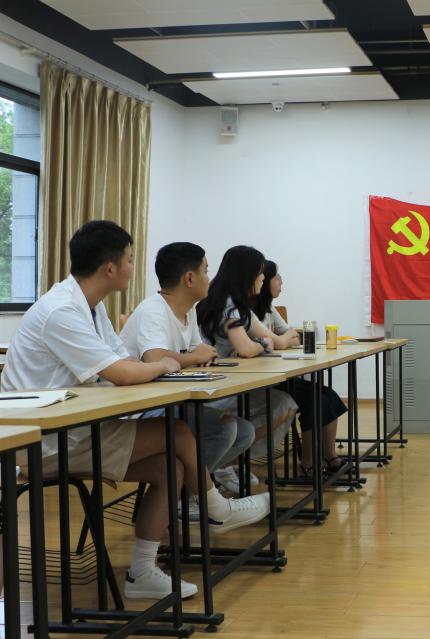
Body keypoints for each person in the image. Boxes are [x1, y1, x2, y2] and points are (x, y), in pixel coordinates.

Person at [0, 221, 269, 601]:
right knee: (178, 433)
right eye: (129, 259)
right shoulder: (62, 310)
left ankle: (142, 572)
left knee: (169, 467)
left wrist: (157, 365)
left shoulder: (92, 307)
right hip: (40, 441)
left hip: (75, 427)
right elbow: (125, 371)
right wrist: (166, 365)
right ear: (110, 268)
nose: (132, 267)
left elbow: (124, 361)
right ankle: (217, 508)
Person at [120, 242, 256, 495]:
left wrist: (198, 355)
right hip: (140, 410)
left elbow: (201, 350)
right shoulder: (153, 310)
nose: (209, 278)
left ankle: (188, 492)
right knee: (224, 429)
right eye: (206, 270)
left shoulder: (188, 311)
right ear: (190, 278)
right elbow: (154, 358)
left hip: (171, 399)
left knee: (244, 432)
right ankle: (192, 497)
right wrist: (194, 356)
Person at [196, 246, 299, 486]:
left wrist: (263, 343)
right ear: (247, 275)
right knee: (282, 404)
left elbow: (277, 341)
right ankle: (222, 465)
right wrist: (262, 343)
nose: (263, 278)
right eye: (260, 273)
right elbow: (248, 348)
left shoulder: (237, 305)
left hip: (229, 382)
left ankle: (227, 463)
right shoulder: (228, 305)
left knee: (283, 402)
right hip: (214, 389)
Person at [254, 260, 349, 476]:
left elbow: (294, 336)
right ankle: (308, 463)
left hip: (278, 374)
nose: (281, 282)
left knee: (329, 396)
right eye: (277, 277)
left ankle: (329, 456)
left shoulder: (268, 308)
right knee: (315, 400)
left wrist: (279, 340)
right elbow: (275, 341)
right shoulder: (249, 312)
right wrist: (280, 340)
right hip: (262, 379)